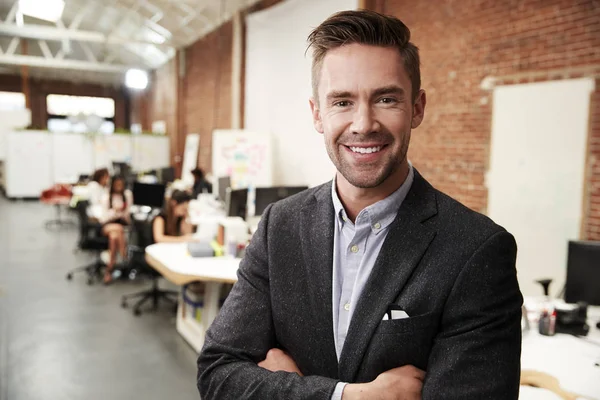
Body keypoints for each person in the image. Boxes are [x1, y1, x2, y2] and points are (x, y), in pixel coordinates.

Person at [197, 10, 523, 400]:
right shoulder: (279, 226)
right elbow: (218, 373)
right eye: (342, 102)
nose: (364, 123)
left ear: (417, 108)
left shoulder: (476, 250)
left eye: (386, 99)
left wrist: (286, 387)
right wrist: (351, 396)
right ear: (318, 114)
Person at [99, 175, 133, 284]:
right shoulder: (106, 197)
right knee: (117, 229)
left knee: (114, 237)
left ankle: (109, 268)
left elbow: (127, 216)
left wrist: (123, 212)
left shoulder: (127, 195)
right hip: (108, 225)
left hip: (121, 226)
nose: (119, 187)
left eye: (121, 185)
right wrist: (114, 211)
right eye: (117, 184)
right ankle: (124, 255)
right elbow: (103, 218)